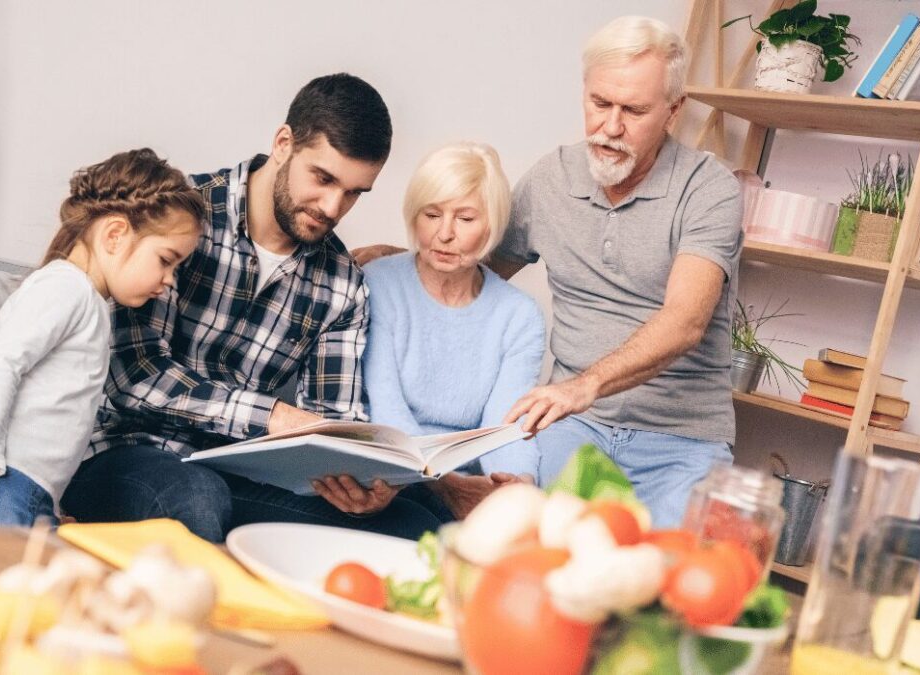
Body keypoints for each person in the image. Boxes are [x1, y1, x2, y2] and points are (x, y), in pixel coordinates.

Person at [61, 74, 445, 543]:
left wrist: (358, 478)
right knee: (197, 498)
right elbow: (135, 377)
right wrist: (274, 417)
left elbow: (330, 418)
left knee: (415, 527)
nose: (332, 206)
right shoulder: (181, 216)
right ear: (284, 143)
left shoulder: (343, 283)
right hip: (125, 452)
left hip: (237, 474)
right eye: (323, 178)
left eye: (353, 192)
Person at [494, 16, 743, 528]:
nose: (610, 127)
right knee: (544, 556)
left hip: (682, 441)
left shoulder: (709, 189)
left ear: (673, 111)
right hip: (574, 427)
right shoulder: (549, 179)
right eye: (599, 103)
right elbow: (481, 277)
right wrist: (402, 263)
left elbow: (685, 322)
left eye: (634, 110)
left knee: (668, 591)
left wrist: (584, 386)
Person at [0, 148, 203, 526]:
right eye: (166, 260)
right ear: (115, 235)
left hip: (21, 485)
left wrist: (46, 502)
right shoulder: (65, 287)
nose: (168, 281)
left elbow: (54, 424)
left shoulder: (92, 303)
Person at [345, 142, 545, 521]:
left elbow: (505, 427)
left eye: (466, 219)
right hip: (390, 472)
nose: (445, 234)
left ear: (493, 224)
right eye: (431, 215)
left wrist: (516, 485)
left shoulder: (519, 316)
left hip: (467, 480)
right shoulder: (377, 285)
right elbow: (387, 412)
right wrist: (446, 484)